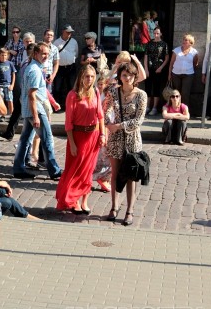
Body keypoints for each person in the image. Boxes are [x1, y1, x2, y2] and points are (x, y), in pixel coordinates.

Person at [55, 65, 106, 214]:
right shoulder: (73, 95)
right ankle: (73, 200)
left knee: (88, 171)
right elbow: (68, 122)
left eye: (92, 76)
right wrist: (72, 143)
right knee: (76, 170)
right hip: (78, 137)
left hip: (93, 136)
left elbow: (100, 116)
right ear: (81, 77)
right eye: (86, 76)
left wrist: (102, 134)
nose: (89, 79)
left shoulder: (96, 92)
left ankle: (84, 201)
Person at [103, 62, 147, 226]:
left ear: (135, 77)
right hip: (115, 139)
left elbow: (139, 120)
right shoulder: (114, 92)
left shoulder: (141, 95)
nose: (127, 78)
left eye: (130, 75)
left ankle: (129, 210)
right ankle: (114, 207)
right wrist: (108, 122)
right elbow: (106, 108)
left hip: (132, 139)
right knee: (114, 174)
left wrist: (119, 126)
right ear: (120, 77)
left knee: (130, 176)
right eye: (124, 75)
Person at [12, 42, 63, 180]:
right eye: (43, 53)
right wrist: (35, 116)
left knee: (25, 139)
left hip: (30, 108)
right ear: (36, 54)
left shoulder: (33, 67)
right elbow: (32, 95)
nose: (46, 56)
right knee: (47, 139)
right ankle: (55, 171)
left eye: (47, 54)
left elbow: (37, 91)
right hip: (36, 109)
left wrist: (52, 102)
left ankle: (18, 168)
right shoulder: (34, 70)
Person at [2, 32, 35, 141]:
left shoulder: (36, 53)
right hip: (22, 85)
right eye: (26, 41)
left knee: (30, 115)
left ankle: (34, 143)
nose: (28, 43)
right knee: (18, 109)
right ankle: (9, 133)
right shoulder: (22, 51)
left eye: (30, 41)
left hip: (31, 88)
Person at [92, 71, 112, 193]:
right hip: (100, 126)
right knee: (103, 155)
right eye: (98, 84)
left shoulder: (107, 95)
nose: (100, 86)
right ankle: (102, 178)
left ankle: (104, 179)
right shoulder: (95, 94)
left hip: (106, 126)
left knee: (106, 155)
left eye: (102, 84)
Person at [143, 26, 169, 115]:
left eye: (157, 33)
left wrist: (161, 67)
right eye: (154, 33)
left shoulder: (164, 44)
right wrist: (146, 69)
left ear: (161, 34)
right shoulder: (149, 43)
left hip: (158, 69)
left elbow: (166, 58)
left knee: (156, 88)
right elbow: (146, 56)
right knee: (148, 88)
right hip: (149, 68)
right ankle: (147, 107)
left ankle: (154, 107)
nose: (156, 35)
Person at [168, 34, 199, 107]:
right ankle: (176, 108)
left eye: (186, 40)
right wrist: (169, 74)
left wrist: (188, 69)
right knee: (176, 93)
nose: (183, 41)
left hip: (188, 75)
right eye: (183, 39)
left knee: (185, 93)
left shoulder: (194, 52)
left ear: (190, 43)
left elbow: (195, 63)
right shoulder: (176, 50)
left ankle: (184, 109)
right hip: (176, 74)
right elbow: (171, 63)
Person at [53, 24, 79, 108]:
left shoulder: (74, 42)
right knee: (57, 87)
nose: (69, 34)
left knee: (71, 87)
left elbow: (76, 53)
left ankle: (70, 106)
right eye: (67, 32)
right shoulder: (56, 42)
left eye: (70, 32)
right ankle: (57, 105)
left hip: (71, 67)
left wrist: (70, 59)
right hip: (59, 68)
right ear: (63, 31)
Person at [0, 48, 16, 117]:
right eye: (2, 55)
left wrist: (12, 85)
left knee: (10, 100)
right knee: (0, 100)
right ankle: (1, 114)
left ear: (7, 55)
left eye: (5, 55)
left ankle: (11, 115)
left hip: (8, 85)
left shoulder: (10, 63)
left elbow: (13, 74)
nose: (3, 57)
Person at [42, 29, 60, 93]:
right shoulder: (39, 46)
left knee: (48, 94)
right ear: (44, 36)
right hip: (39, 73)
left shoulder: (55, 49)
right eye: (48, 34)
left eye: (51, 35)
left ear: (53, 37)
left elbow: (56, 63)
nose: (49, 36)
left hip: (49, 75)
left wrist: (53, 76)